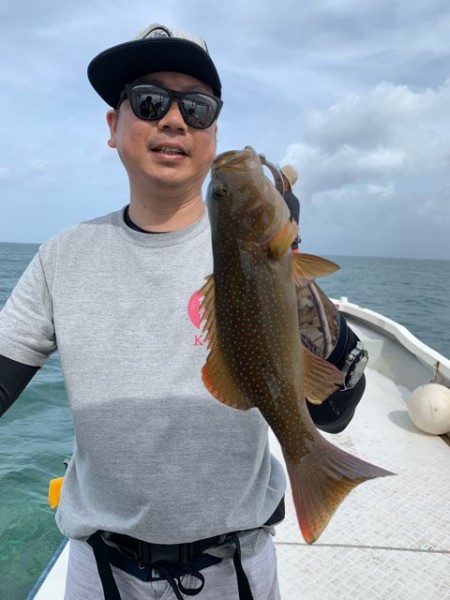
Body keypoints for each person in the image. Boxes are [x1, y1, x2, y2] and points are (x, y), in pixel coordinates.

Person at [0, 23, 368, 600]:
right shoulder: (61, 257)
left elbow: (336, 413)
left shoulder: (260, 252)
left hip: (234, 567)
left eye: (196, 108)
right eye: (150, 101)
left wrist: (291, 273)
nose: (174, 120)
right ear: (112, 125)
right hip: (101, 570)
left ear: (213, 134)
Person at [280, 164, 301, 250]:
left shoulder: (280, 198)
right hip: (294, 249)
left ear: (285, 180)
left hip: (283, 250)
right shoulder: (295, 200)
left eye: (279, 175)